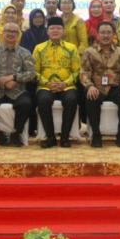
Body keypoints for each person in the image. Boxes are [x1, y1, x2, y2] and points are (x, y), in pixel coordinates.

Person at [0, 22, 36, 147]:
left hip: (17, 89)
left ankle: (16, 133)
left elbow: (31, 73)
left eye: (14, 32)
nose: (11, 34)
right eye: (8, 31)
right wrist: (2, 82)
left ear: (18, 35)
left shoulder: (25, 53)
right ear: (3, 33)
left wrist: (15, 78)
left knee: (26, 103)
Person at [81, 22, 120, 147]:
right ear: (98, 34)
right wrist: (89, 86)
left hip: (115, 87)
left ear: (113, 34)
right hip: (97, 87)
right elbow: (84, 72)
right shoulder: (89, 52)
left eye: (109, 32)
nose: (106, 35)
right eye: (103, 33)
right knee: (91, 97)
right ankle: (96, 135)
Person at [33, 17, 81, 148]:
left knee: (71, 99)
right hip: (45, 86)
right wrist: (47, 83)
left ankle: (65, 138)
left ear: (63, 31)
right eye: (52, 28)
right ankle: (50, 138)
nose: (55, 30)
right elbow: (34, 71)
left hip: (67, 86)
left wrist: (65, 84)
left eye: (58, 28)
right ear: (47, 31)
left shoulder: (72, 48)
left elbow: (77, 71)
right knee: (43, 100)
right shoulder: (39, 48)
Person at [20, 8, 48, 137]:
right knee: (31, 99)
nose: (38, 19)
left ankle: (43, 127)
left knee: (42, 100)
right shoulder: (26, 34)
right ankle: (31, 128)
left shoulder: (48, 33)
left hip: (46, 70)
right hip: (30, 71)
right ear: (31, 19)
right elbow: (24, 53)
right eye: (35, 17)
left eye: (40, 17)